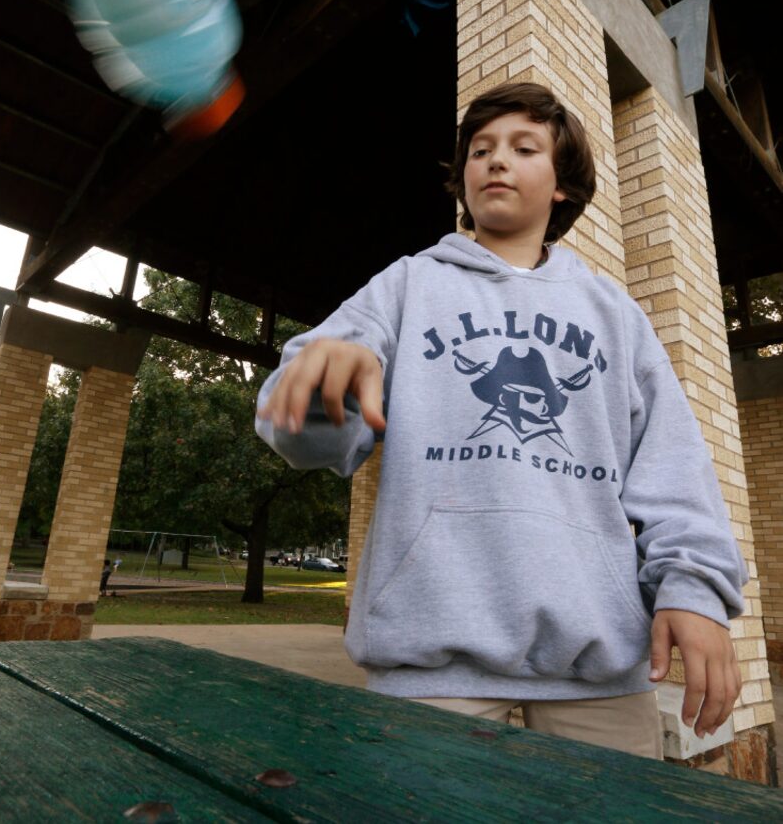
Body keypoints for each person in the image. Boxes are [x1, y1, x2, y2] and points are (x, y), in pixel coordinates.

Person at [256, 81, 747, 759]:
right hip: (433, 658)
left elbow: (673, 466)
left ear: (563, 187)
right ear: (462, 180)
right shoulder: (406, 285)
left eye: (523, 148)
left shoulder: (616, 315)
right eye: (480, 149)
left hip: (598, 664)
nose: (494, 160)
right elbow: (303, 433)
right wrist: (318, 389)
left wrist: (693, 587)